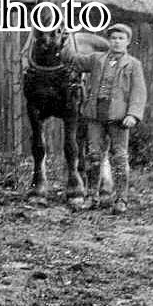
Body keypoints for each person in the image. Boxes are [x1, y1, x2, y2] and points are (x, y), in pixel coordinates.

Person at [63, 23, 146, 214]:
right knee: (93, 156)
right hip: (95, 115)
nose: (116, 42)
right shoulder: (96, 59)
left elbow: (138, 92)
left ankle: (121, 200)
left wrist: (133, 114)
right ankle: (92, 197)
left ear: (127, 42)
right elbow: (72, 60)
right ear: (109, 41)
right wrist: (66, 38)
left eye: (120, 39)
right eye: (113, 38)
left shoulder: (133, 64)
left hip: (119, 117)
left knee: (119, 157)